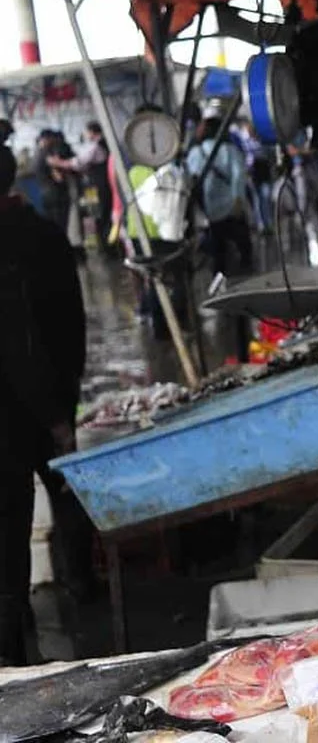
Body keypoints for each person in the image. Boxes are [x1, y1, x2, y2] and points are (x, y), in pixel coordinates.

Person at [0, 145, 95, 665]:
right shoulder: (42, 235)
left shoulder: (32, 237)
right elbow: (60, 330)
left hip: (20, 411)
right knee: (63, 495)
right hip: (45, 401)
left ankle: (18, 653)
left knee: (9, 541)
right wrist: (61, 412)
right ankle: (80, 591)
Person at [186, 113, 253, 361]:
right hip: (231, 208)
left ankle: (221, 289)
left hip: (210, 212)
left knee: (218, 253)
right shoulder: (229, 149)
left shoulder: (195, 153)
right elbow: (239, 176)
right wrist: (237, 200)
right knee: (241, 249)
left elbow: (190, 181)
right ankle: (243, 288)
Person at [47, 122, 113, 253]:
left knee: (92, 213)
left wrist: (57, 162)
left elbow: (78, 163)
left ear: (92, 132)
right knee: (97, 213)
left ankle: (96, 245)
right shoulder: (105, 143)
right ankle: (100, 243)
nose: (85, 135)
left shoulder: (94, 147)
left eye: (86, 132)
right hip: (100, 184)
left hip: (94, 186)